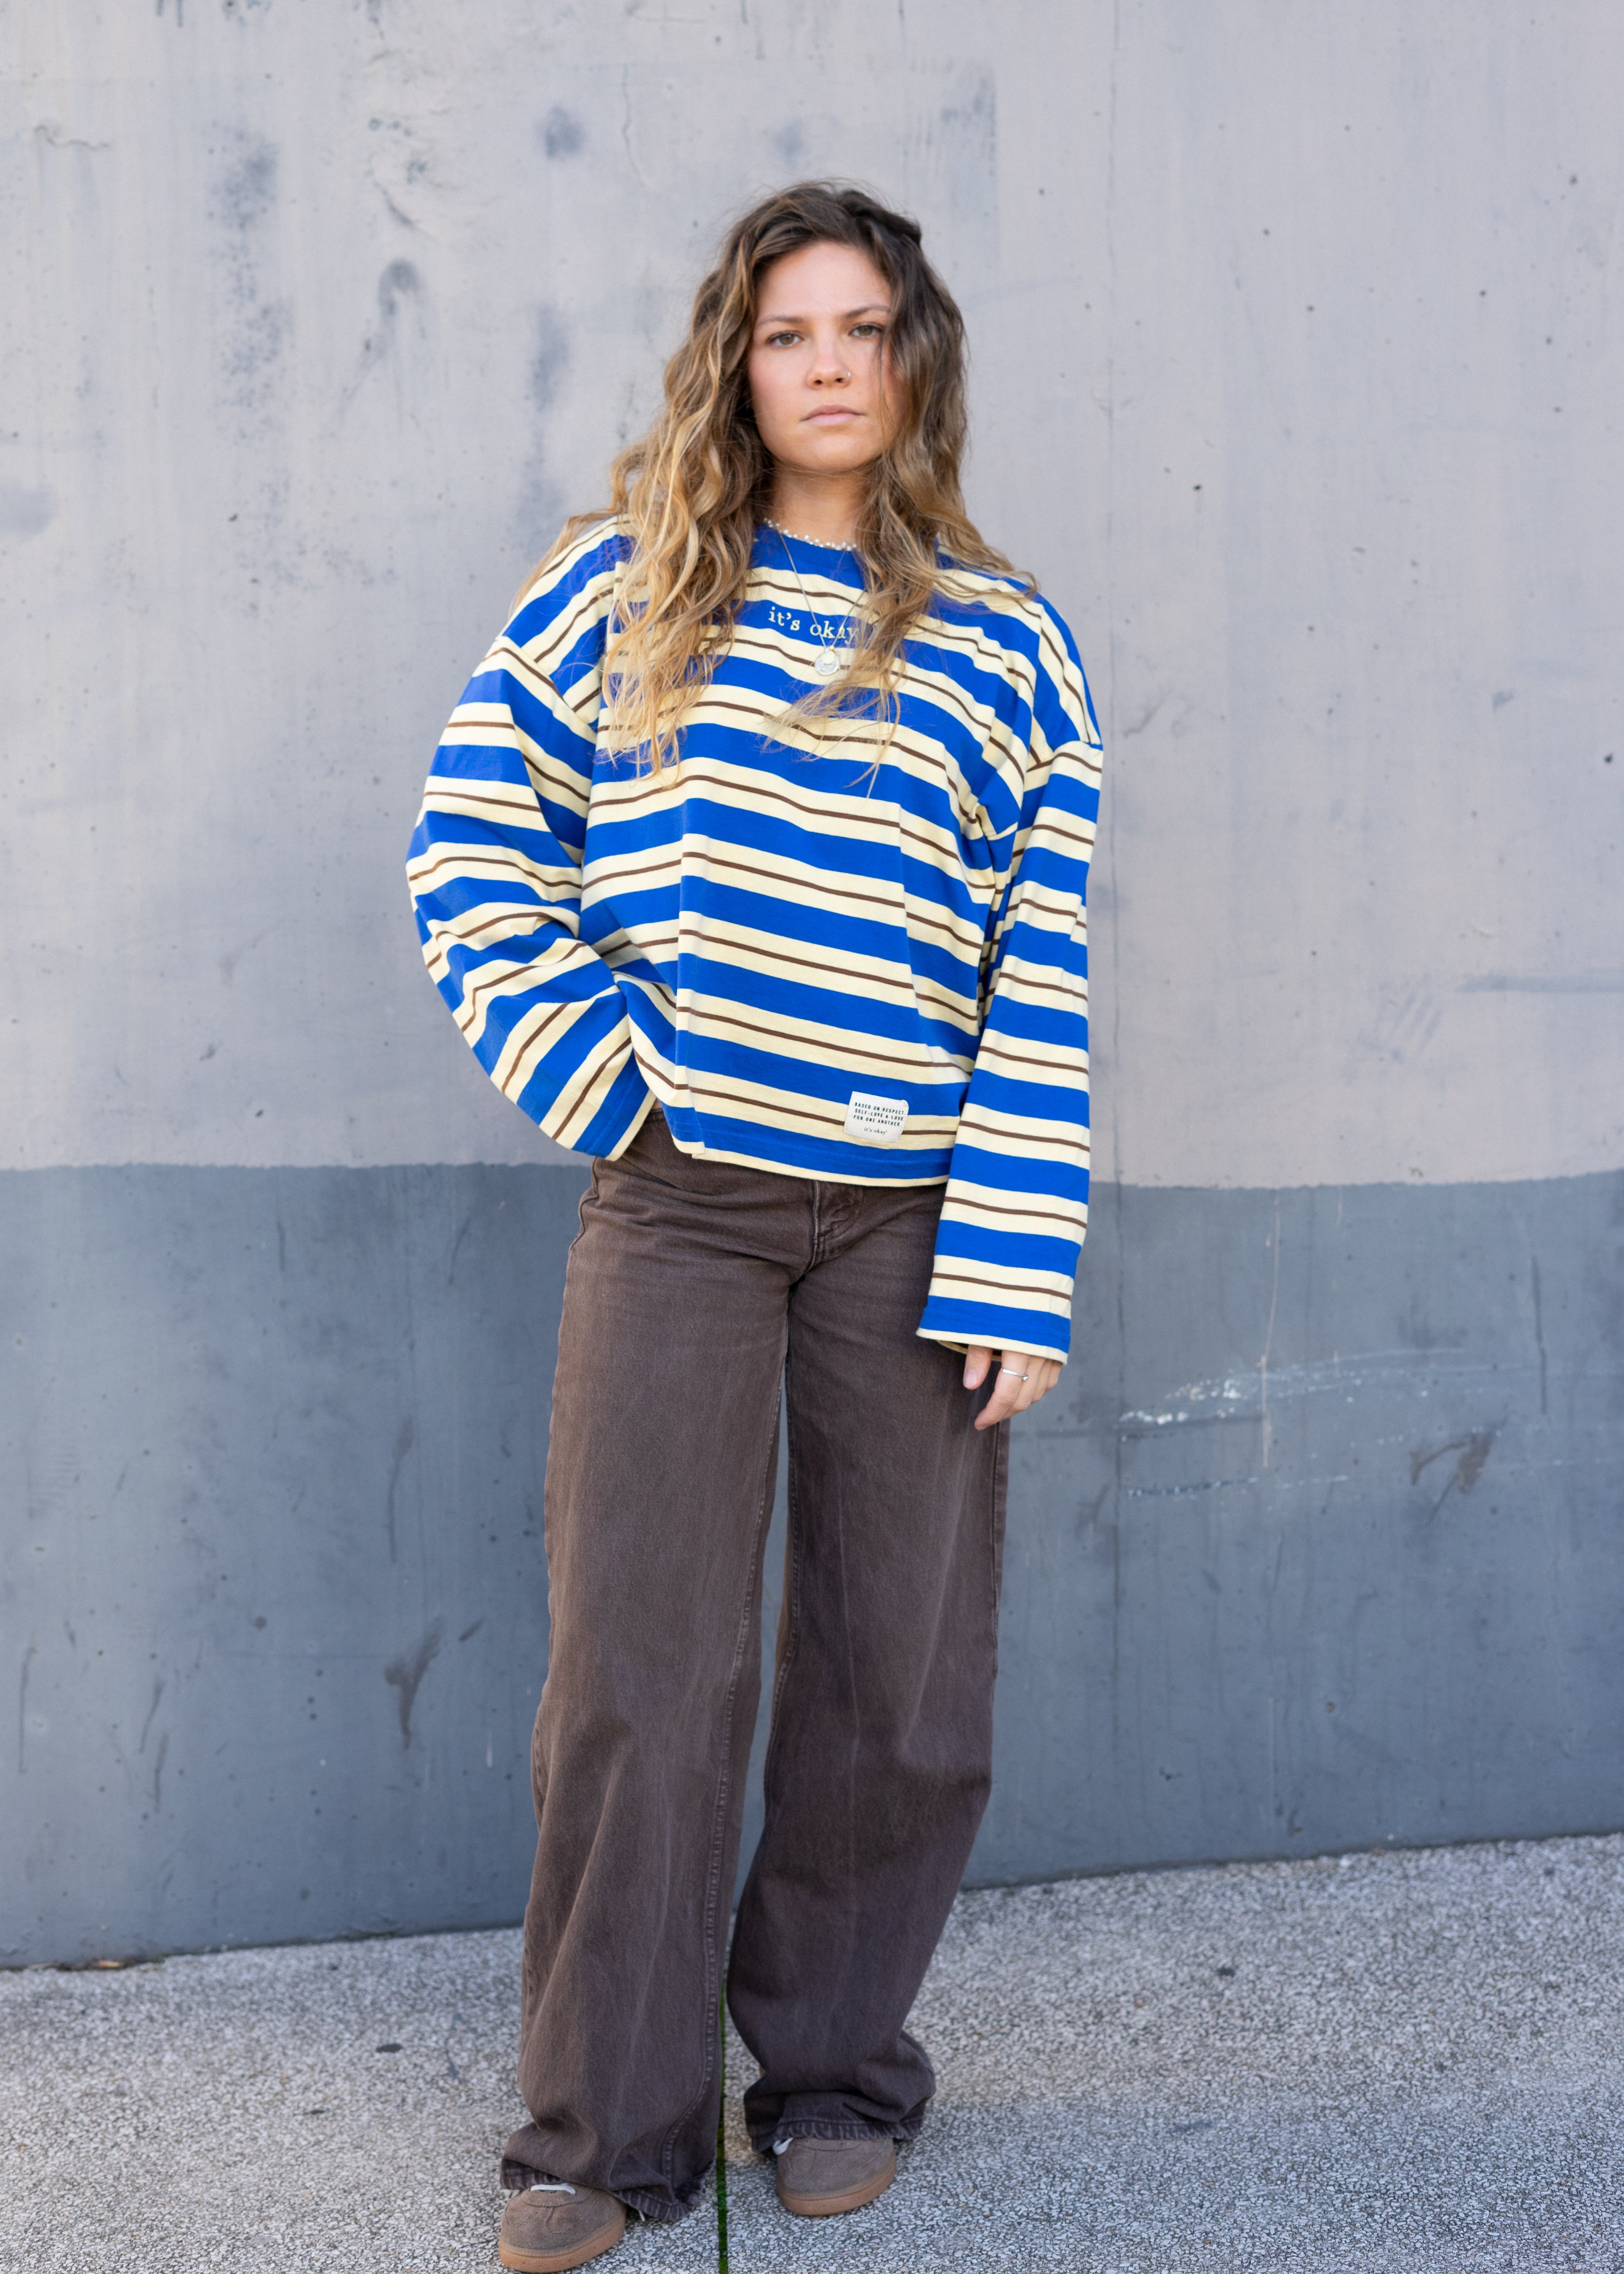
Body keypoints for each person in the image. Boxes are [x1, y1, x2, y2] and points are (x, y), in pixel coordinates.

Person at [407, 179, 1102, 2274]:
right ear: (739, 358)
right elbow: (466, 847)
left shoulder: (1003, 642)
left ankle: (827, 2071)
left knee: (895, 1676)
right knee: (640, 1668)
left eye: (863, 328)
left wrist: (1012, 1264)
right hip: (680, 1219)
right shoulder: (619, 592)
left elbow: (1034, 964)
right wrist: (619, 1083)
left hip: (910, 1225)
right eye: (790, 329)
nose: (826, 363)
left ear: (912, 362)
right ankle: (599, 2129)